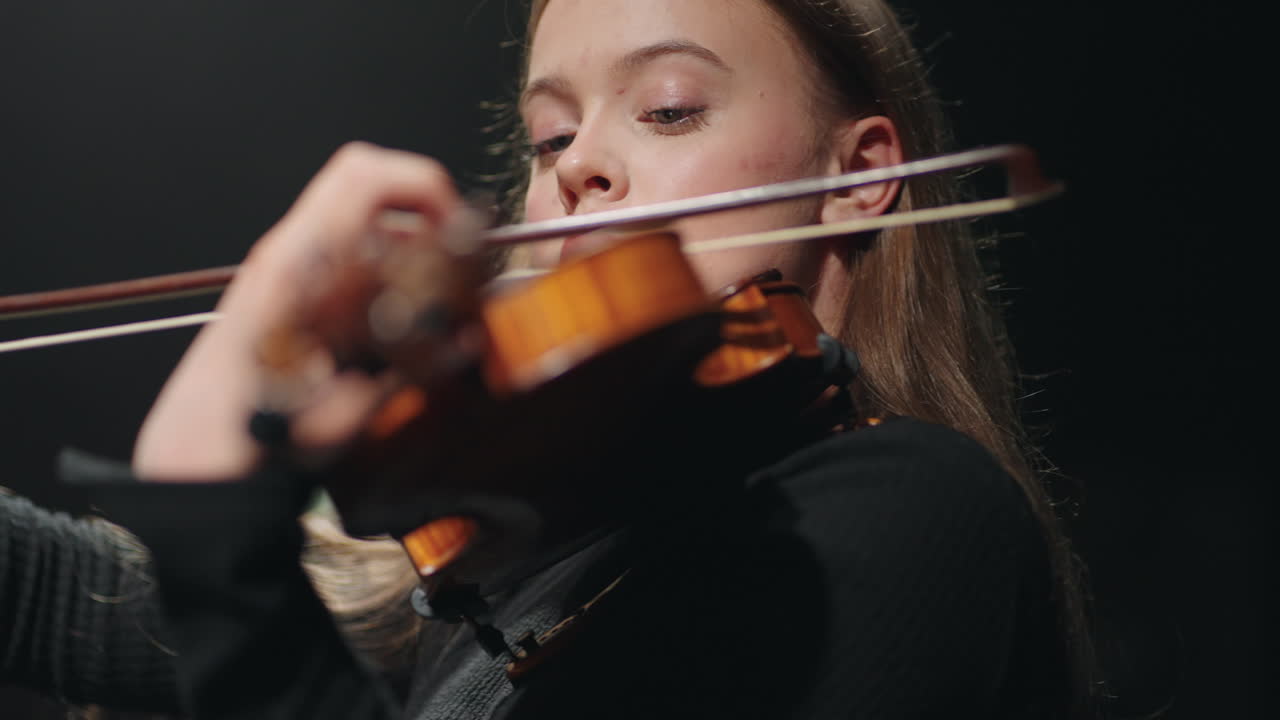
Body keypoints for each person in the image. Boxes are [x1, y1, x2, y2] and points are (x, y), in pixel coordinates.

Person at [58, 0, 1097, 718]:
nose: (580, 165)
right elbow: (70, 601)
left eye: (668, 108)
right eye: (550, 136)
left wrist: (208, 500)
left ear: (858, 175)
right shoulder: (510, 561)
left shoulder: (916, 511)